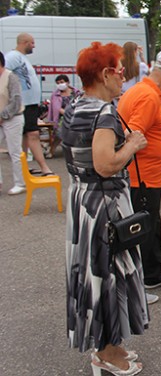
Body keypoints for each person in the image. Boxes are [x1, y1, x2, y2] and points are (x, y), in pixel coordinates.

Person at [60, 42, 148, 375]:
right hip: (103, 205)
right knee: (110, 277)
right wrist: (132, 145)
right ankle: (107, 353)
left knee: (95, 276)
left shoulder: (75, 104)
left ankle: (109, 346)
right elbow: (106, 163)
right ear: (105, 73)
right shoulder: (103, 112)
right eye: (119, 68)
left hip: (83, 202)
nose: (124, 74)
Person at [117, 52, 161, 293]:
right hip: (142, 177)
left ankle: (153, 274)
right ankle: (140, 283)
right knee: (141, 229)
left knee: (149, 225)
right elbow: (133, 135)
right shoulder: (148, 97)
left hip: (146, 176)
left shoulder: (144, 92)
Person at [5, 33, 53, 176]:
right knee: (33, 134)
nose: (34, 46)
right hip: (24, 103)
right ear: (24, 42)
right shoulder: (13, 57)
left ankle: (23, 168)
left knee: (26, 136)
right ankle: (44, 167)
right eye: (32, 43)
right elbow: (4, 73)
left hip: (30, 103)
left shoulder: (22, 58)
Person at [0, 51, 26, 195]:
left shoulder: (11, 77)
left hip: (13, 118)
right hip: (1, 120)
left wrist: (3, 116)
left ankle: (20, 183)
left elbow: (15, 101)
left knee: (15, 152)